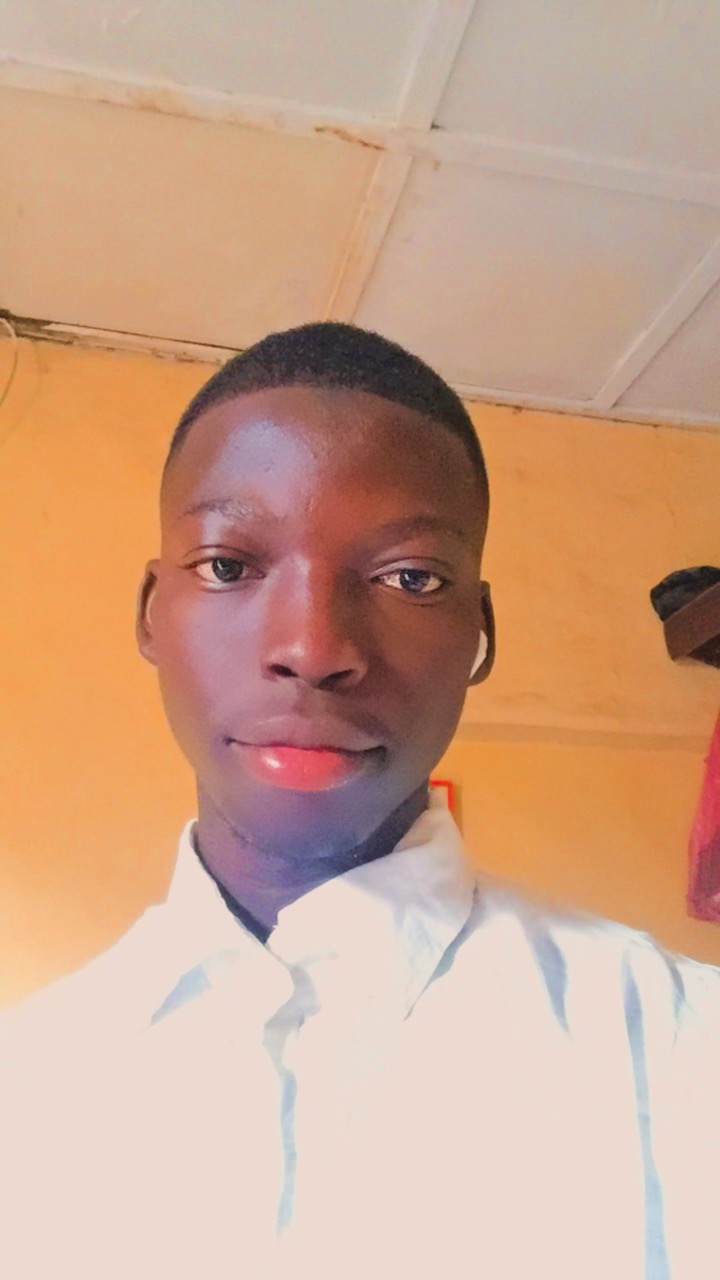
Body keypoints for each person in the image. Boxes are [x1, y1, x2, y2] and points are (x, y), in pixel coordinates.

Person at [1, 322, 718, 1280]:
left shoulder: (683, 1050)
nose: (313, 648)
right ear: (149, 615)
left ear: (479, 636)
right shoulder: (26, 1088)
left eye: (410, 577)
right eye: (228, 565)